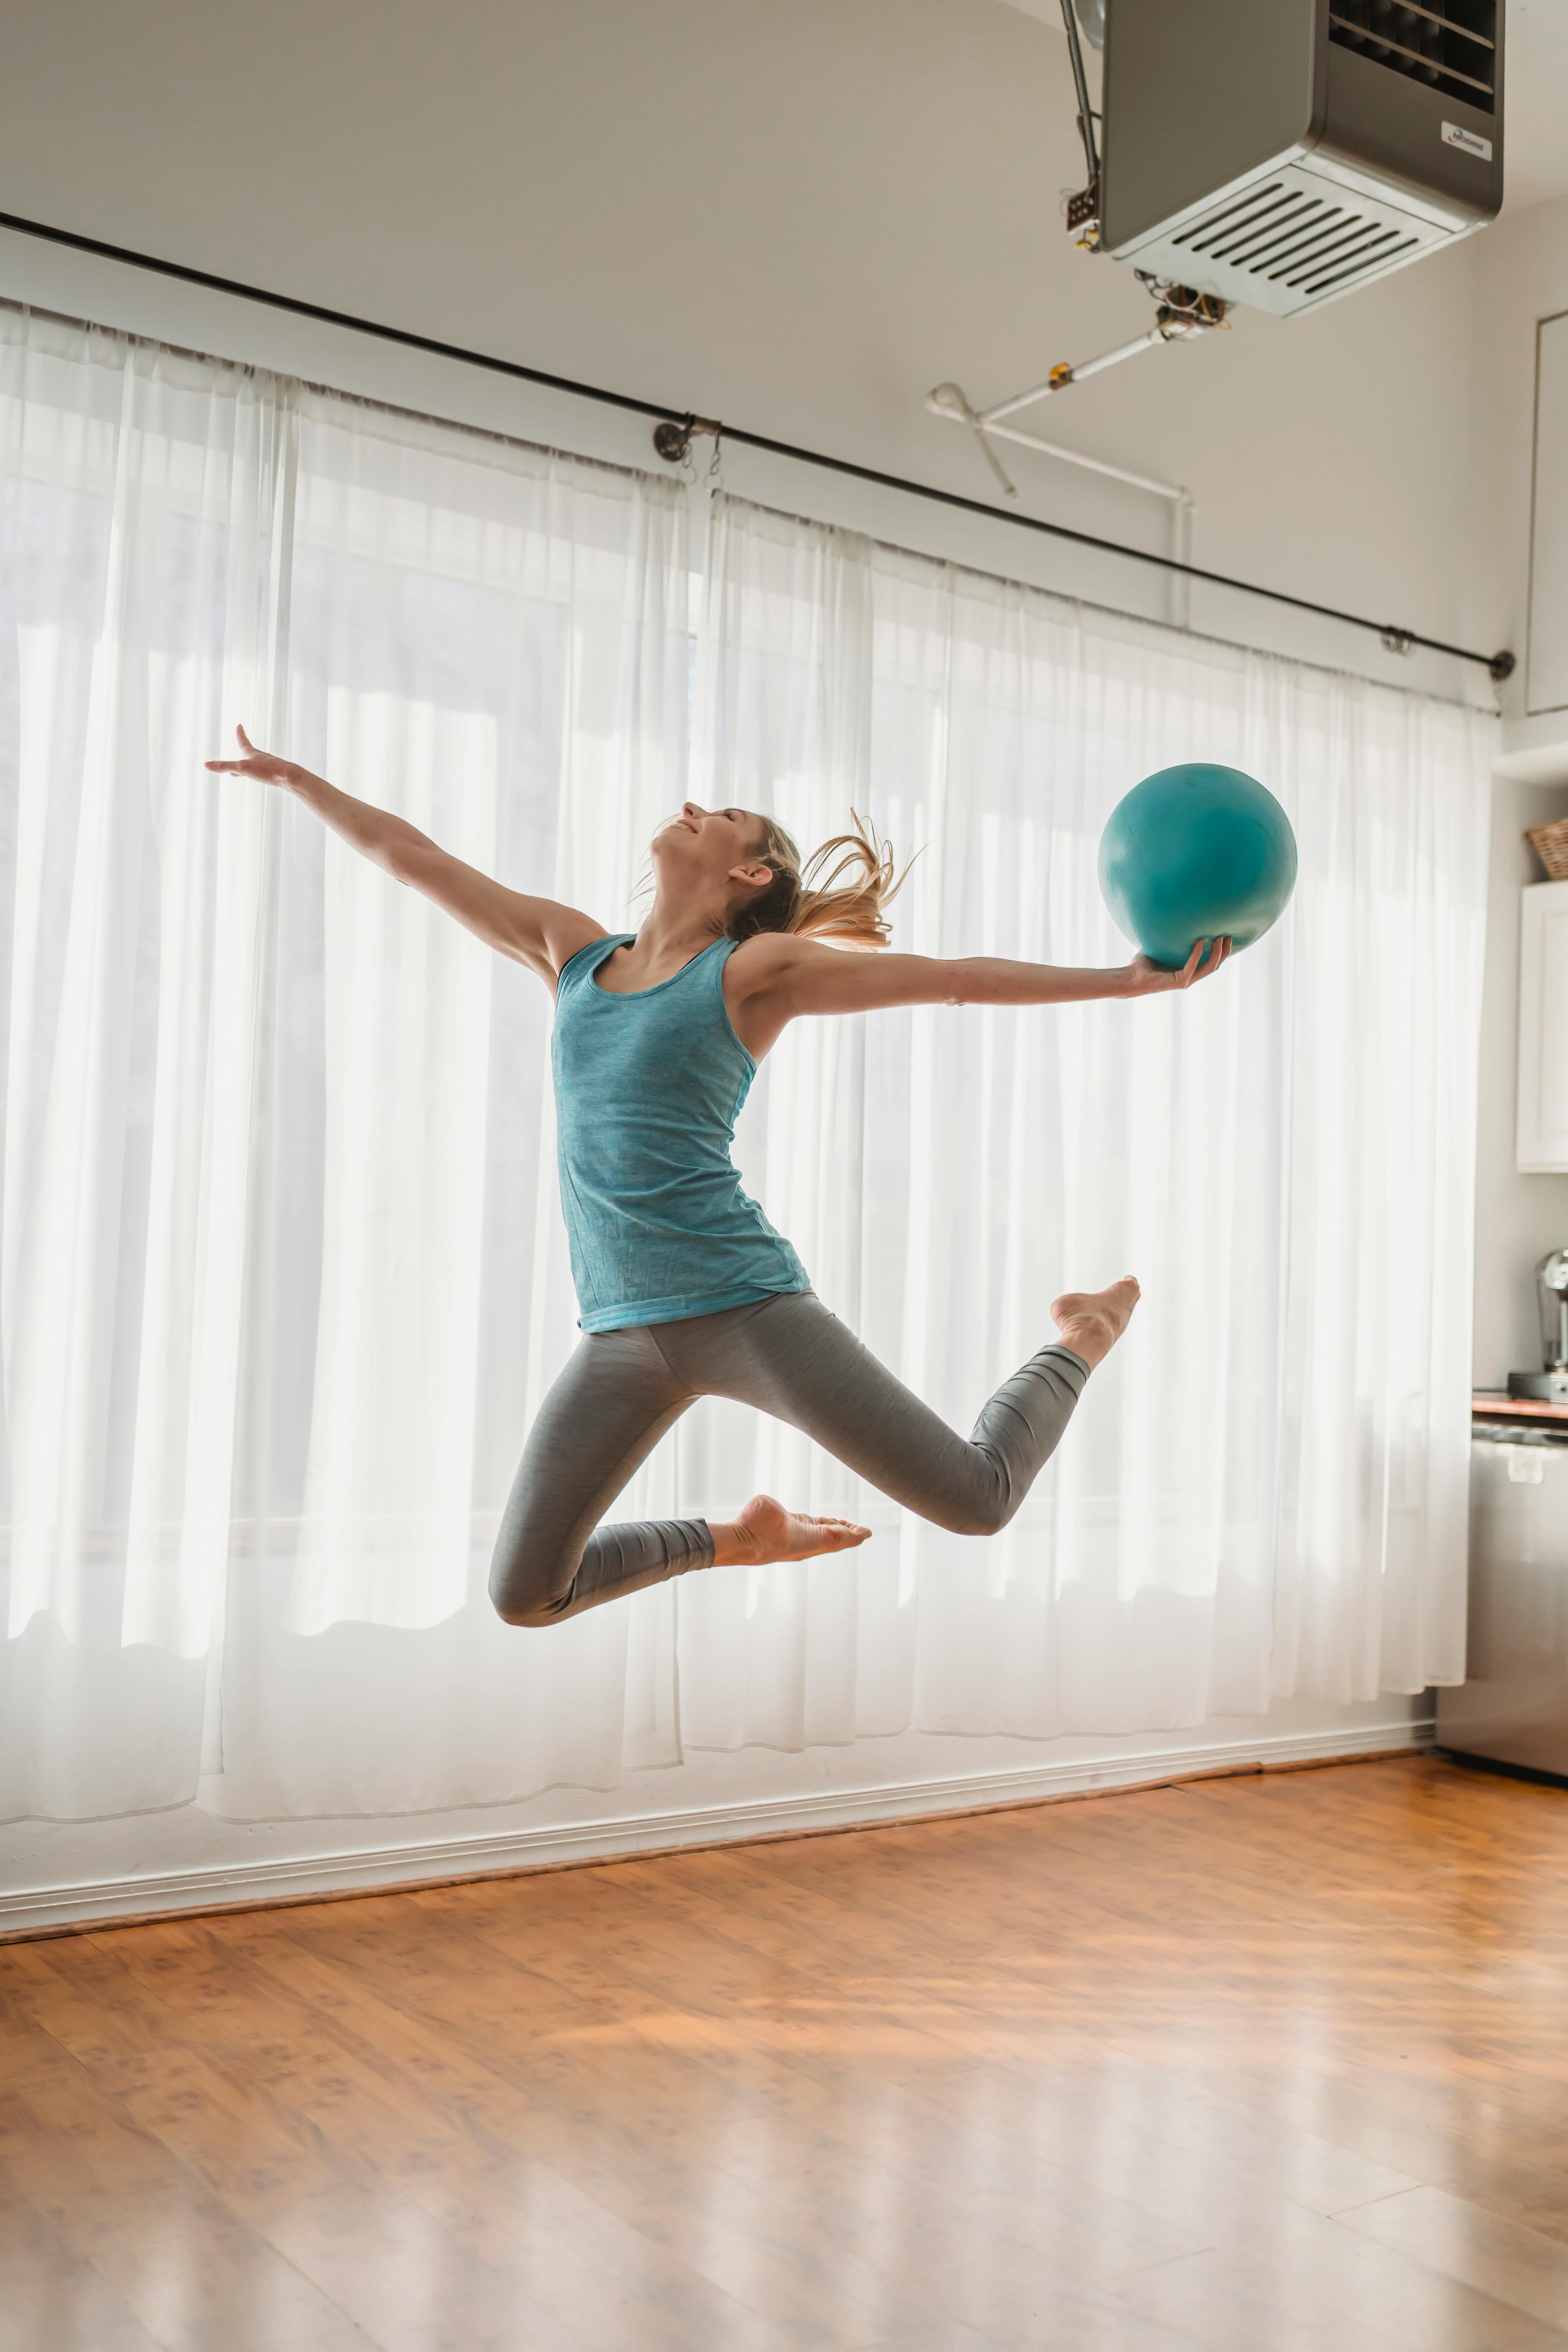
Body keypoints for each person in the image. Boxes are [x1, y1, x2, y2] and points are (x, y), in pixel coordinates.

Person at [206, 727, 1230, 1626]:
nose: (693, 809)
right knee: (526, 1595)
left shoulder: (751, 974)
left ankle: (1083, 1334)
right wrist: (301, 780)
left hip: (747, 1309)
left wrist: (1130, 981)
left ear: (748, 877)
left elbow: (955, 979)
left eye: (722, 817)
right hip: (620, 1332)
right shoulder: (571, 952)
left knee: (978, 1499)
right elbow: (413, 858)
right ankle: (738, 1537)